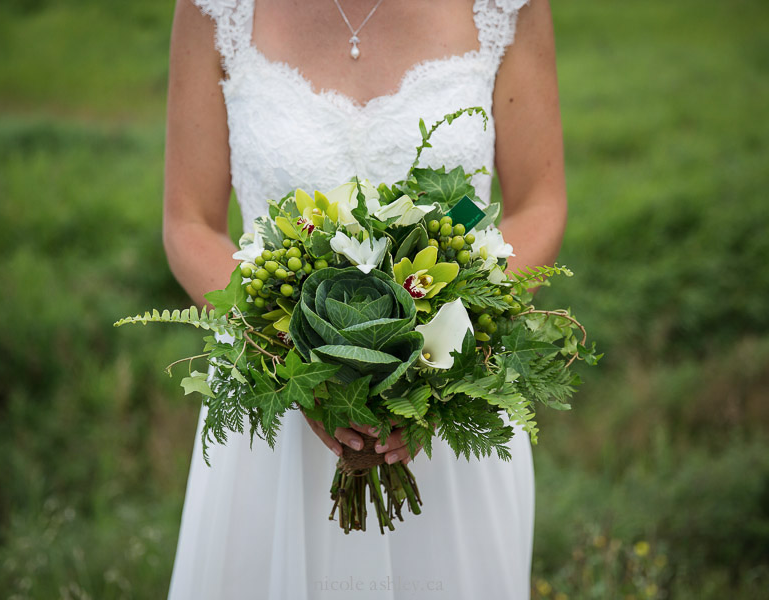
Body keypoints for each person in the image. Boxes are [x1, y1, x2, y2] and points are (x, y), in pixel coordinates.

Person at [162, 0, 566, 597]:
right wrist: (294, 359)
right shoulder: (216, 10)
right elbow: (189, 221)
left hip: (450, 399)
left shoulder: (504, 7)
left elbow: (540, 203)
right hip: (277, 414)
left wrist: (446, 353)